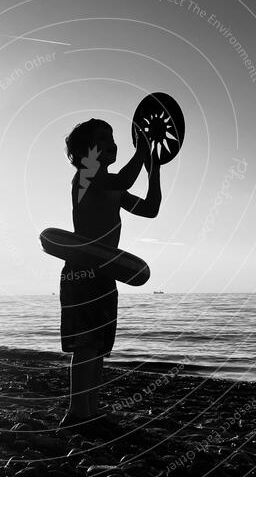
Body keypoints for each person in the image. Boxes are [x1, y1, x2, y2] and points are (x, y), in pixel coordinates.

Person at [58, 118, 161, 433]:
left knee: (99, 346)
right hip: (82, 270)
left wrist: (154, 168)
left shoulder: (114, 186)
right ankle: (76, 415)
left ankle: (90, 412)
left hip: (105, 271)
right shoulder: (85, 177)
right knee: (85, 344)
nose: (112, 143)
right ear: (84, 151)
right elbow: (124, 180)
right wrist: (142, 153)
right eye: (102, 139)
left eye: (112, 137)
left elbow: (149, 208)